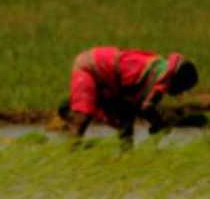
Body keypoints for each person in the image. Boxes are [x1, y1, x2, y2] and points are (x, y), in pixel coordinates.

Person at [58, 46, 198, 147]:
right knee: (83, 117)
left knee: (126, 119)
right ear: (177, 81)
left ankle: (126, 155)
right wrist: (159, 123)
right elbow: (146, 107)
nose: (180, 94)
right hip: (91, 69)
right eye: (182, 89)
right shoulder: (161, 80)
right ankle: (71, 151)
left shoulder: (160, 67)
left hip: (110, 76)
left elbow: (137, 105)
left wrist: (156, 122)